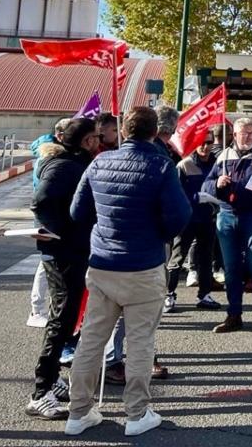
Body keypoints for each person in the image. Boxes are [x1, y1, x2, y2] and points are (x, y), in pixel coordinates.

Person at [64, 107, 191, 437]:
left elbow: (78, 212)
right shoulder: (162, 165)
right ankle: (136, 414)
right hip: (143, 265)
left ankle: (78, 412)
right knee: (139, 342)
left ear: (124, 130)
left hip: (103, 264)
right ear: (153, 132)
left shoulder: (99, 162)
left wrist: (105, 227)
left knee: (91, 339)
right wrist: (158, 235)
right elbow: (180, 215)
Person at [26, 118, 98, 421]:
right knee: (62, 320)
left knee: (66, 320)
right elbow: (41, 201)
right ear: (85, 140)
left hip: (71, 248)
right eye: (94, 136)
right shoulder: (66, 165)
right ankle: (40, 391)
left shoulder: (73, 162)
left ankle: (52, 379)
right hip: (64, 251)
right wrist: (58, 231)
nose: (98, 141)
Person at [204, 118, 252, 334]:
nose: (249, 137)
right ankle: (234, 315)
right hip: (226, 215)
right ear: (234, 135)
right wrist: (217, 183)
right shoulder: (223, 155)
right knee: (231, 269)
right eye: (244, 133)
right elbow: (206, 184)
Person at [165, 135, 221, 313]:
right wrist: (195, 198)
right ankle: (169, 295)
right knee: (177, 258)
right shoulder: (184, 165)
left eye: (209, 143)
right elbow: (174, 192)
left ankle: (204, 294)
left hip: (209, 219)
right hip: (187, 220)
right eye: (201, 143)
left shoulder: (218, 164)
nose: (205, 146)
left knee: (206, 259)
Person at [26, 117, 71, 330]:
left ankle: (43, 308)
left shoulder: (51, 157)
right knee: (47, 265)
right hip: (49, 220)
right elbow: (41, 196)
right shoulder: (50, 158)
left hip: (52, 219)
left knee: (49, 264)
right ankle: (37, 310)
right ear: (61, 136)